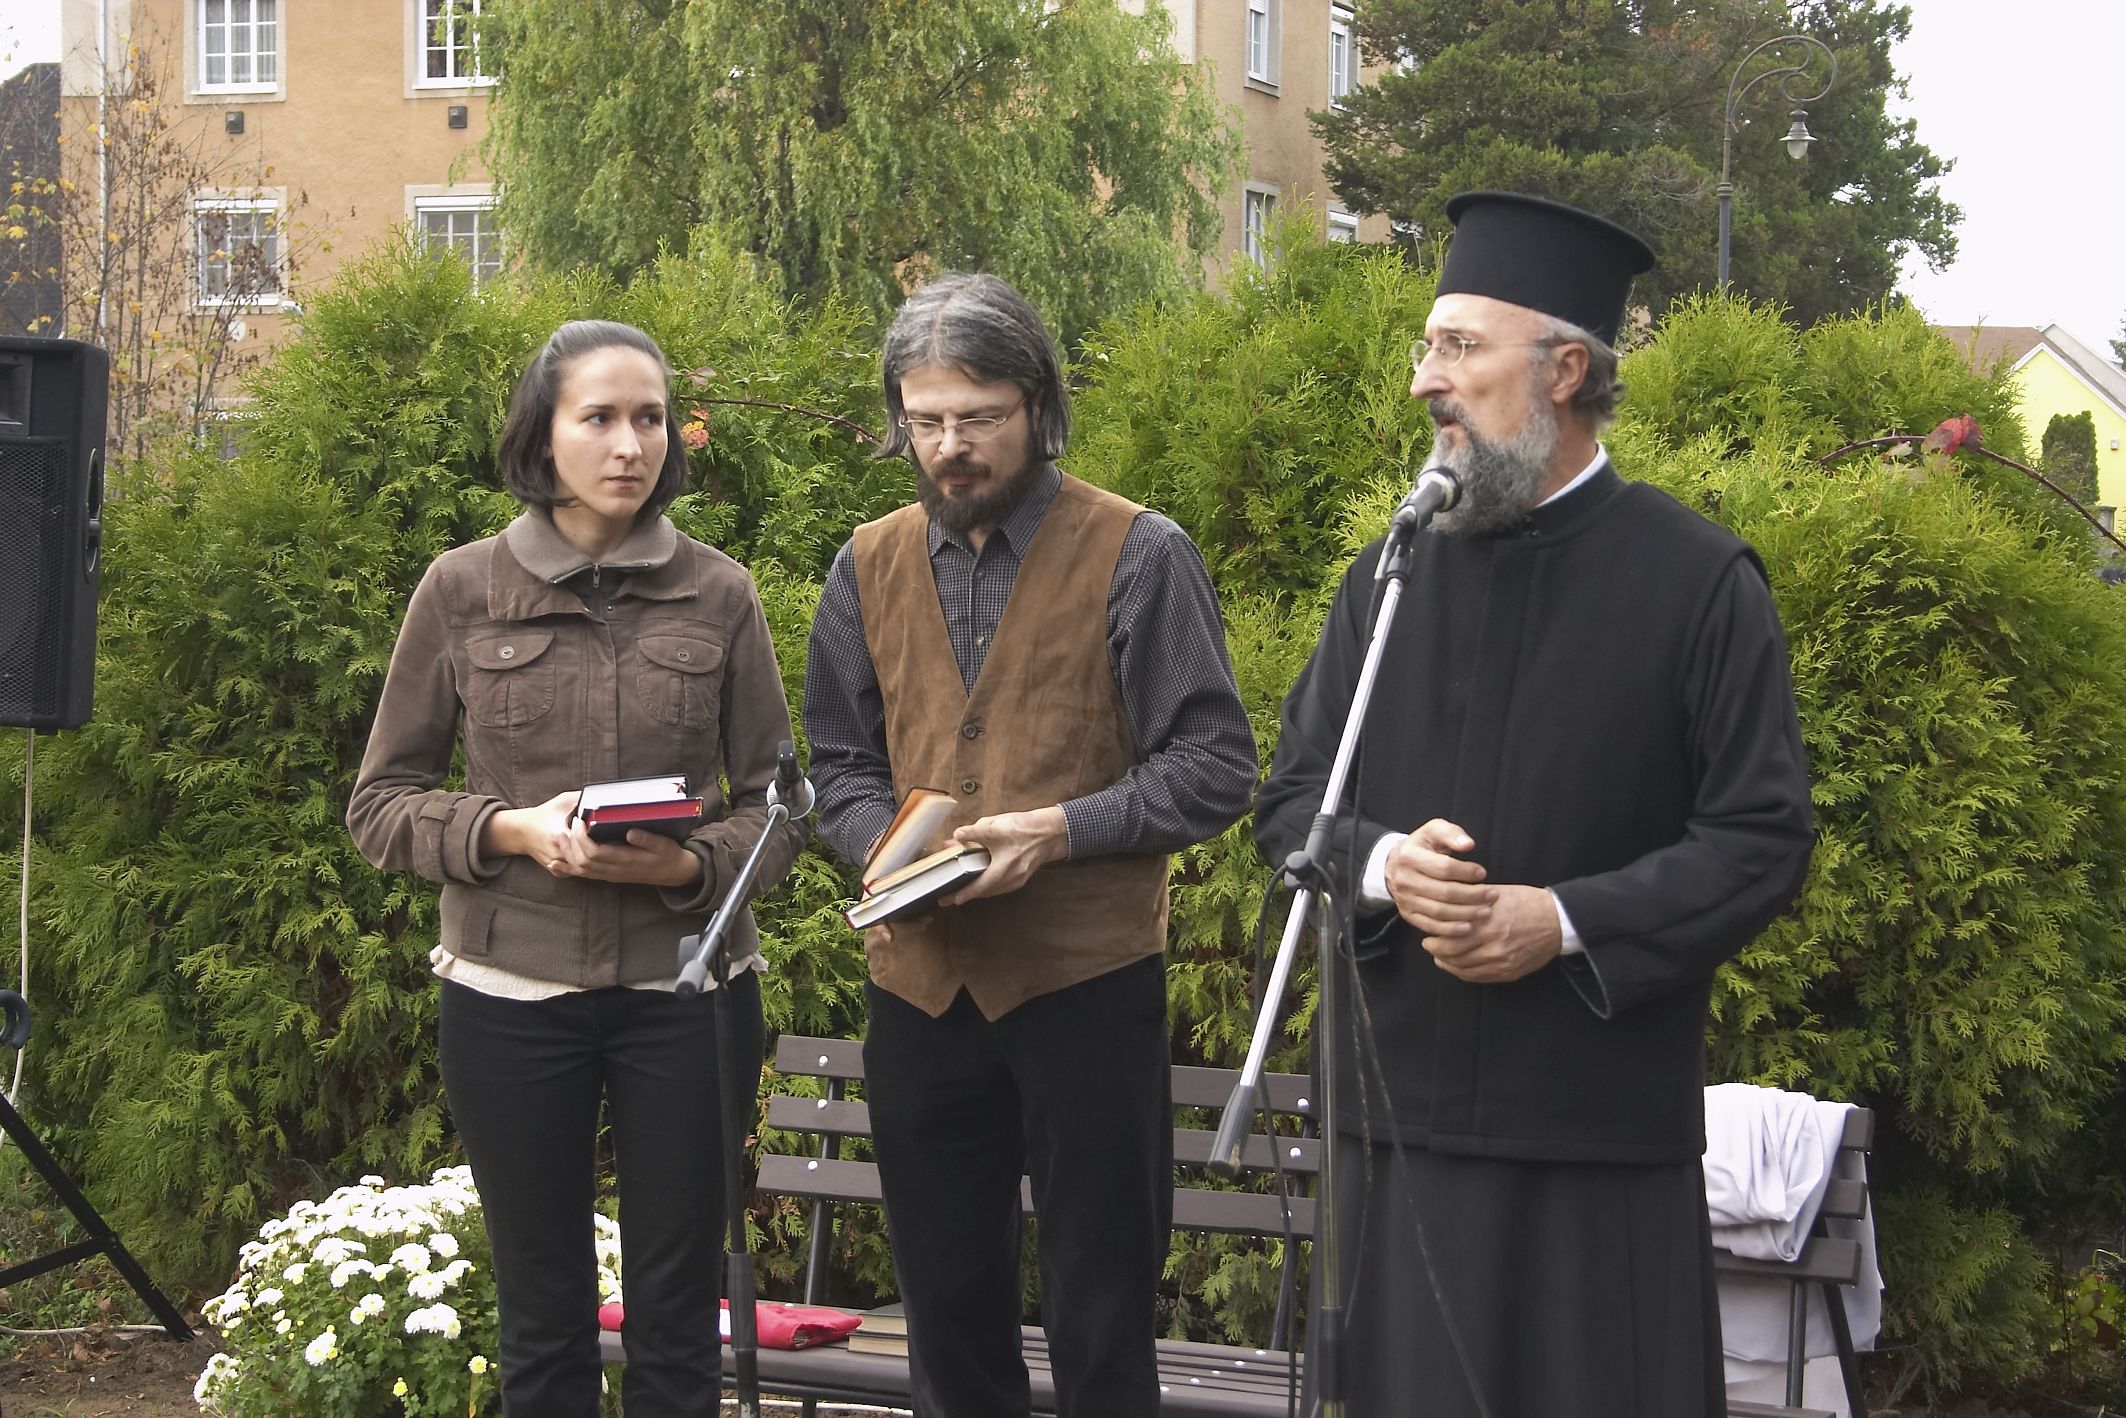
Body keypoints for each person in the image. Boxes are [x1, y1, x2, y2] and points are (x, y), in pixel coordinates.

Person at [1255, 192, 1814, 1417]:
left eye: (1459, 346)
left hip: (1589, 1145)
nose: (1424, 379)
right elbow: (1292, 799)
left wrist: (1557, 921)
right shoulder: (1386, 575)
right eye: (1425, 346)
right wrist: (1384, 864)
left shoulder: (1697, 581)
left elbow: (1760, 838)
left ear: (1563, 370)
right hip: (1396, 1136)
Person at [802, 273, 1257, 1418]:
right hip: (918, 993)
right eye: (925, 420)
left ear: (1039, 406)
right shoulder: (864, 563)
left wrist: (1058, 830)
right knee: (946, 1323)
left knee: (1101, 1319)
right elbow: (835, 766)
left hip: (1086, 988)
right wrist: (884, 853)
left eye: (979, 417)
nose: (949, 447)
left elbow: (1214, 764)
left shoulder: (1139, 553)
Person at [347, 319, 802, 1417]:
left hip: (687, 993)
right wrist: (509, 830)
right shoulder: (460, 589)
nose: (628, 444)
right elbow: (380, 805)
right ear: (541, 434)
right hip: (509, 997)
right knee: (542, 1320)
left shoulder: (720, 593)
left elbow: (780, 810)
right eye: (597, 417)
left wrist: (684, 868)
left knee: (677, 1321)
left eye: (650, 417)